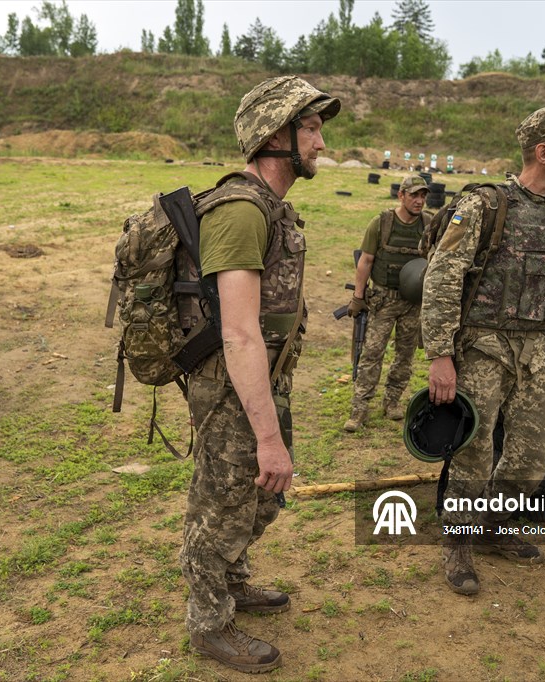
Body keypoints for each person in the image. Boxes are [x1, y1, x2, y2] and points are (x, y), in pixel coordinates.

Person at [178, 75, 339, 674]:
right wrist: (267, 437)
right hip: (230, 387)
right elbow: (239, 332)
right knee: (221, 505)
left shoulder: (269, 206)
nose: (321, 143)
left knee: (259, 499)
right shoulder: (242, 210)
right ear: (276, 135)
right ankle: (209, 623)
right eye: (313, 127)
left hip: (260, 382)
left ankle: (232, 583)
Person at [421, 104, 545, 596]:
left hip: (536, 351)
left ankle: (496, 526)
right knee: (473, 452)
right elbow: (442, 276)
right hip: (482, 348)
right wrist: (440, 354)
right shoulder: (482, 205)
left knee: (530, 454)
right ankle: (458, 543)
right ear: (542, 152)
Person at [344, 174, 430, 432]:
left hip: (413, 303)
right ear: (400, 195)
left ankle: (392, 402)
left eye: (423, 195)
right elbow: (366, 261)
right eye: (414, 195)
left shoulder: (429, 224)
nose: (419, 200)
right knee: (371, 354)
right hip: (384, 300)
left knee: (405, 356)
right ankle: (359, 408)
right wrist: (358, 297)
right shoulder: (381, 223)